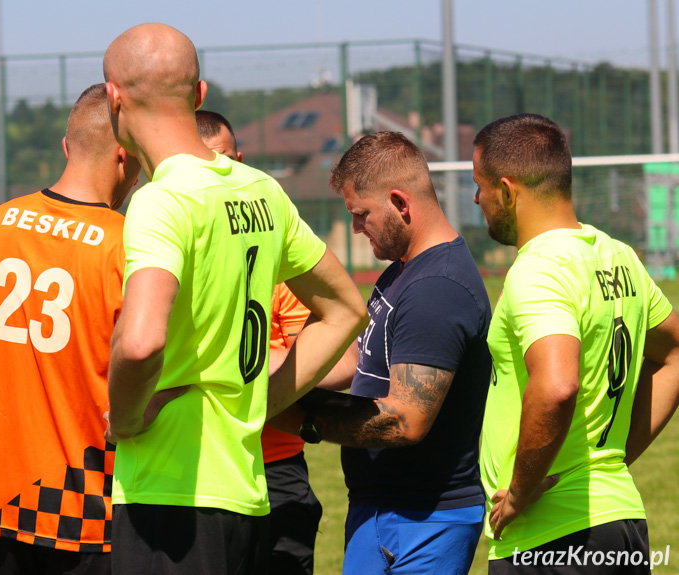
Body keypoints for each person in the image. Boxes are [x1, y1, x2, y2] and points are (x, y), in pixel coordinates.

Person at [102, 23, 368, 575]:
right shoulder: (262, 190)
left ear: (114, 97)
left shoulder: (161, 201)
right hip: (248, 495)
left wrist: (124, 420)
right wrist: (263, 404)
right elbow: (346, 309)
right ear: (199, 94)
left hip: (169, 496)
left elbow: (143, 339)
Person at [473, 113, 679, 574]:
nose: (476, 199)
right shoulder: (619, 257)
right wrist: (613, 458)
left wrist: (520, 495)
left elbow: (556, 386)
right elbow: (675, 355)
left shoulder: (539, 269)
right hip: (620, 520)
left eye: (480, 186)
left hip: (553, 537)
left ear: (507, 191)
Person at [0, 83, 146, 574]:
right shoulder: (127, 245)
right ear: (126, 157)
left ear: (67, 147)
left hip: (1, 496)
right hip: (87, 506)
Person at [286, 131, 493, 574]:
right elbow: (356, 362)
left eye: (362, 215)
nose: (357, 229)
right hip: (384, 513)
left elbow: (404, 420)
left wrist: (299, 418)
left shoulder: (436, 289)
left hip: (422, 520)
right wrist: (268, 377)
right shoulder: (404, 271)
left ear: (400, 203)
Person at [196, 109, 358, 575]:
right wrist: (270, 356)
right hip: (199, 468)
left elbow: (342, 361)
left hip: (276, 464)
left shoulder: (275, 256)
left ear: (242, 160)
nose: (219, 175)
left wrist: (217, 358)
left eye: (226, 161)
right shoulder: (166, 249)